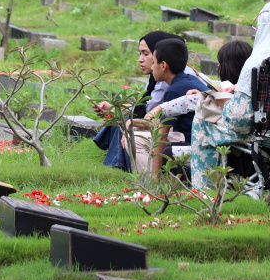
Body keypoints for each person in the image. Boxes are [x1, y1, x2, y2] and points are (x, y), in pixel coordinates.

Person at [189, 0, 270, 188]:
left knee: (203, 122)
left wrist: (227, 102)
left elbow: (238, 120)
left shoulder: (258, 61)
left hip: (267, 135)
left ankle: (206, 189)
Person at [147, 41, 253, 189]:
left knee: (168, 153)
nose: (218, 67)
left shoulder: (239, 96)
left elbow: (161, 136)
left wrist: (154, 178)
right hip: (247, 154)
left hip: (224, 151)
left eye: (221, 63)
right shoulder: (247, 90)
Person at [92, 31, 196, 170]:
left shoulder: (174, 83)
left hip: (182, 136)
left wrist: (131, 120)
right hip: (174, 129)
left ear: (161, 60)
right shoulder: (168, 76)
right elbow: (146, 106)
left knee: (129, 125)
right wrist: (115, 108)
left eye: (146, 54)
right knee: (124, 118)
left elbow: (158, 125)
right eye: (140, 53)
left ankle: (134, 172)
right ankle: (117, 162)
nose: (141, 59)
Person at [134, 39, 208, 173]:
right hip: (199, 139)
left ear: (163, 65)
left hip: (192, 144)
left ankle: (149, 179)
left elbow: (161, 137)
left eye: (154, 63)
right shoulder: (189, 80)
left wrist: (154, 178)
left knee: (136, 140)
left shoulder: (174, 90)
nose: (151, 68)